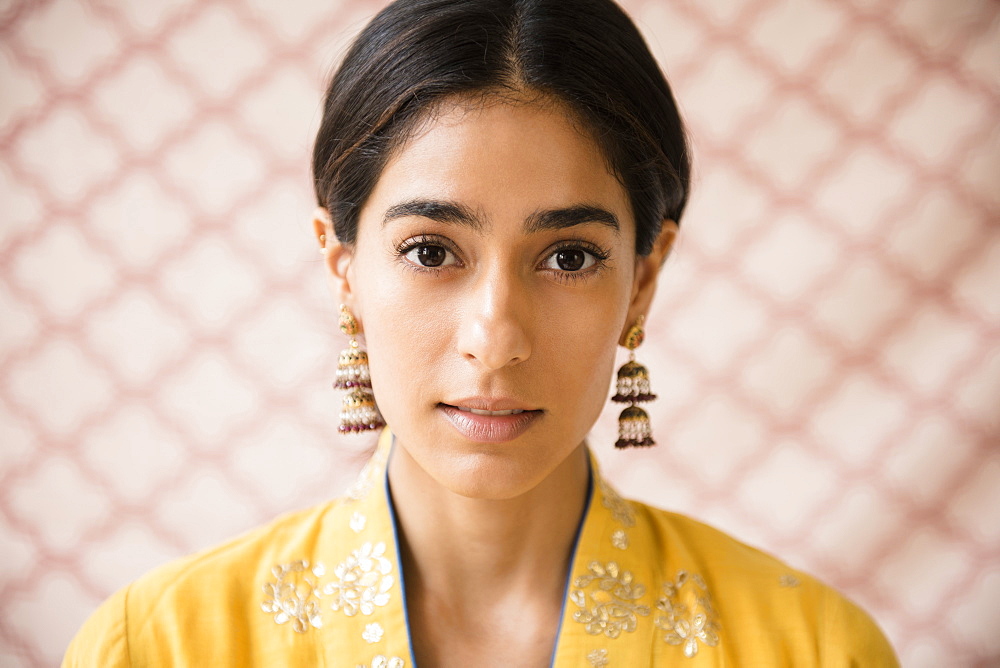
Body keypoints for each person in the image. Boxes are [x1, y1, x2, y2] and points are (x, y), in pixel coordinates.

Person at [64, 0, 899, 665]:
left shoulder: (812, 649)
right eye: (431, 250)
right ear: (343, 266)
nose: (495, 338)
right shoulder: (158, 646)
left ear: (643, 277)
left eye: (569, 257)